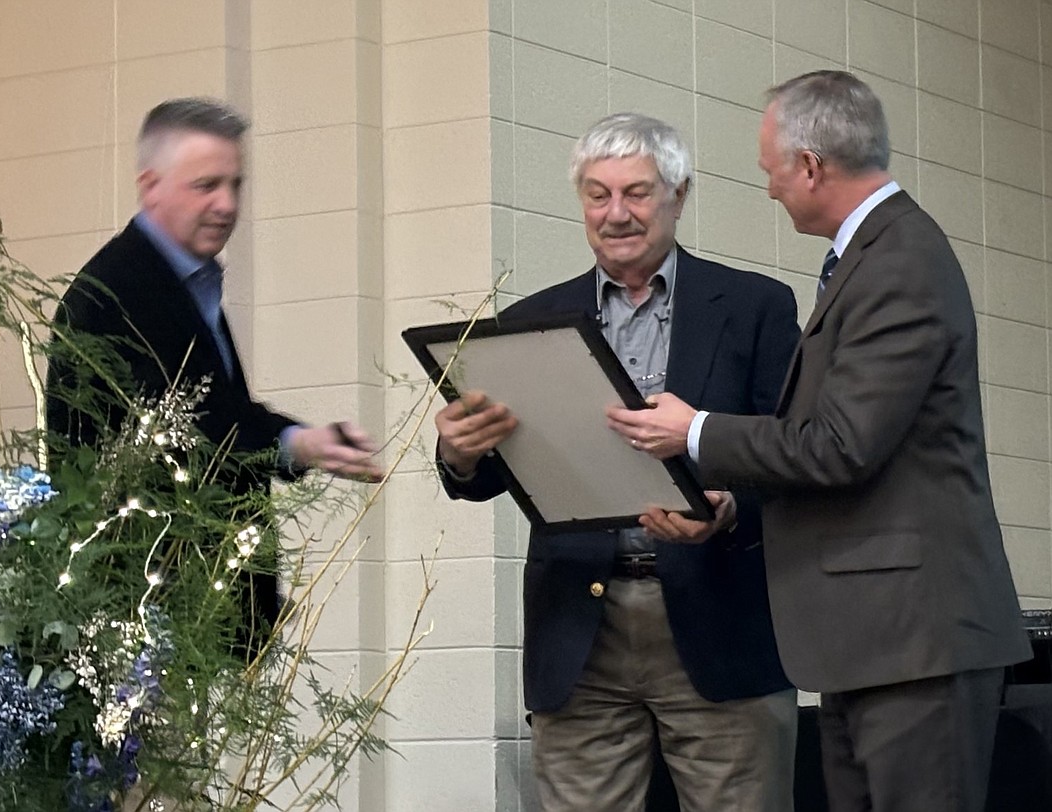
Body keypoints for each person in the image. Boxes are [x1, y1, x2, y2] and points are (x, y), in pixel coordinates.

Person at [608, 72, 1033, 812]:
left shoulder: (900, 260)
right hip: (869, 644)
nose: (769, 187)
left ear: (809, 166)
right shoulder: (871, 255)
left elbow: (842, 444)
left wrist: (695, 429)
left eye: (771, 168)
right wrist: (730, 507)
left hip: (914, 642)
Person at [435, 113, 802, 812]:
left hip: (720, 620)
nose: (616, 214)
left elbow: (795, 457)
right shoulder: (530, 319)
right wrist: (457, 452)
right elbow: (487, 472)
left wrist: (727, 509)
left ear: (679, 194)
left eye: (636, 193)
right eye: (597, 196)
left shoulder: (754, 307)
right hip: (578, 626)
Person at [46, 97, 381, 651]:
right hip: (144, 618)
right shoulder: (115, 295)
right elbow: (185, 432)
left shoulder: (181, 281)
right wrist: (293, 446)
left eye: (236, 184)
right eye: (206, 185)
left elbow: (213, 411)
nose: (227, 205)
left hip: (199, 620)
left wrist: (303, 442)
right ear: (150, 185)